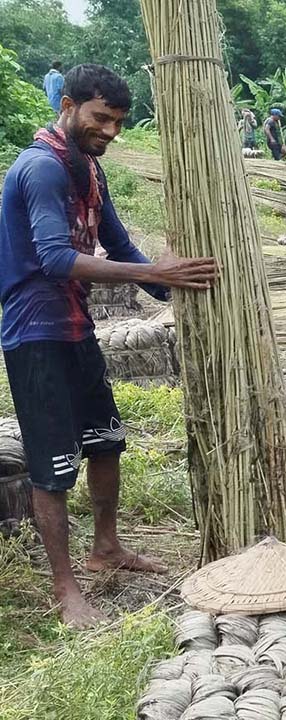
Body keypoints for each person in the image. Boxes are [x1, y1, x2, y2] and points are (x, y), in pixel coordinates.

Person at [0, 64, 219, 628]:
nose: (111, 131)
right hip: (35, 333)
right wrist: (155, 275)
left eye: (119, 121)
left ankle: (106, 548)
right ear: (68, 105)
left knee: (105, 442)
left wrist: (172, 286)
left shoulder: (90, 171)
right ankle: (65, 588)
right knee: (52, 465)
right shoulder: (41, 168)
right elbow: (55, 258)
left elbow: (119, 244)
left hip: (74, 326)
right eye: (101, 118)